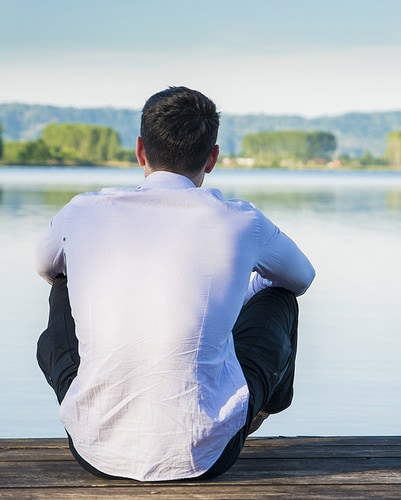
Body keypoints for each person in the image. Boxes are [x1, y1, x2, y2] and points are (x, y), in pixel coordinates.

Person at [35, 86, 315, 481]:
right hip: (205, 457)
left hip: (94, 450)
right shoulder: (241, 220)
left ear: (140, 151)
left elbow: (45, 266)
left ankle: (95, 405)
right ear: (212, 158)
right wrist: (236, 291)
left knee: (62, 284)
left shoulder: (82, 211)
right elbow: (300, 279)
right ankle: (257, 408)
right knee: (279, 297)